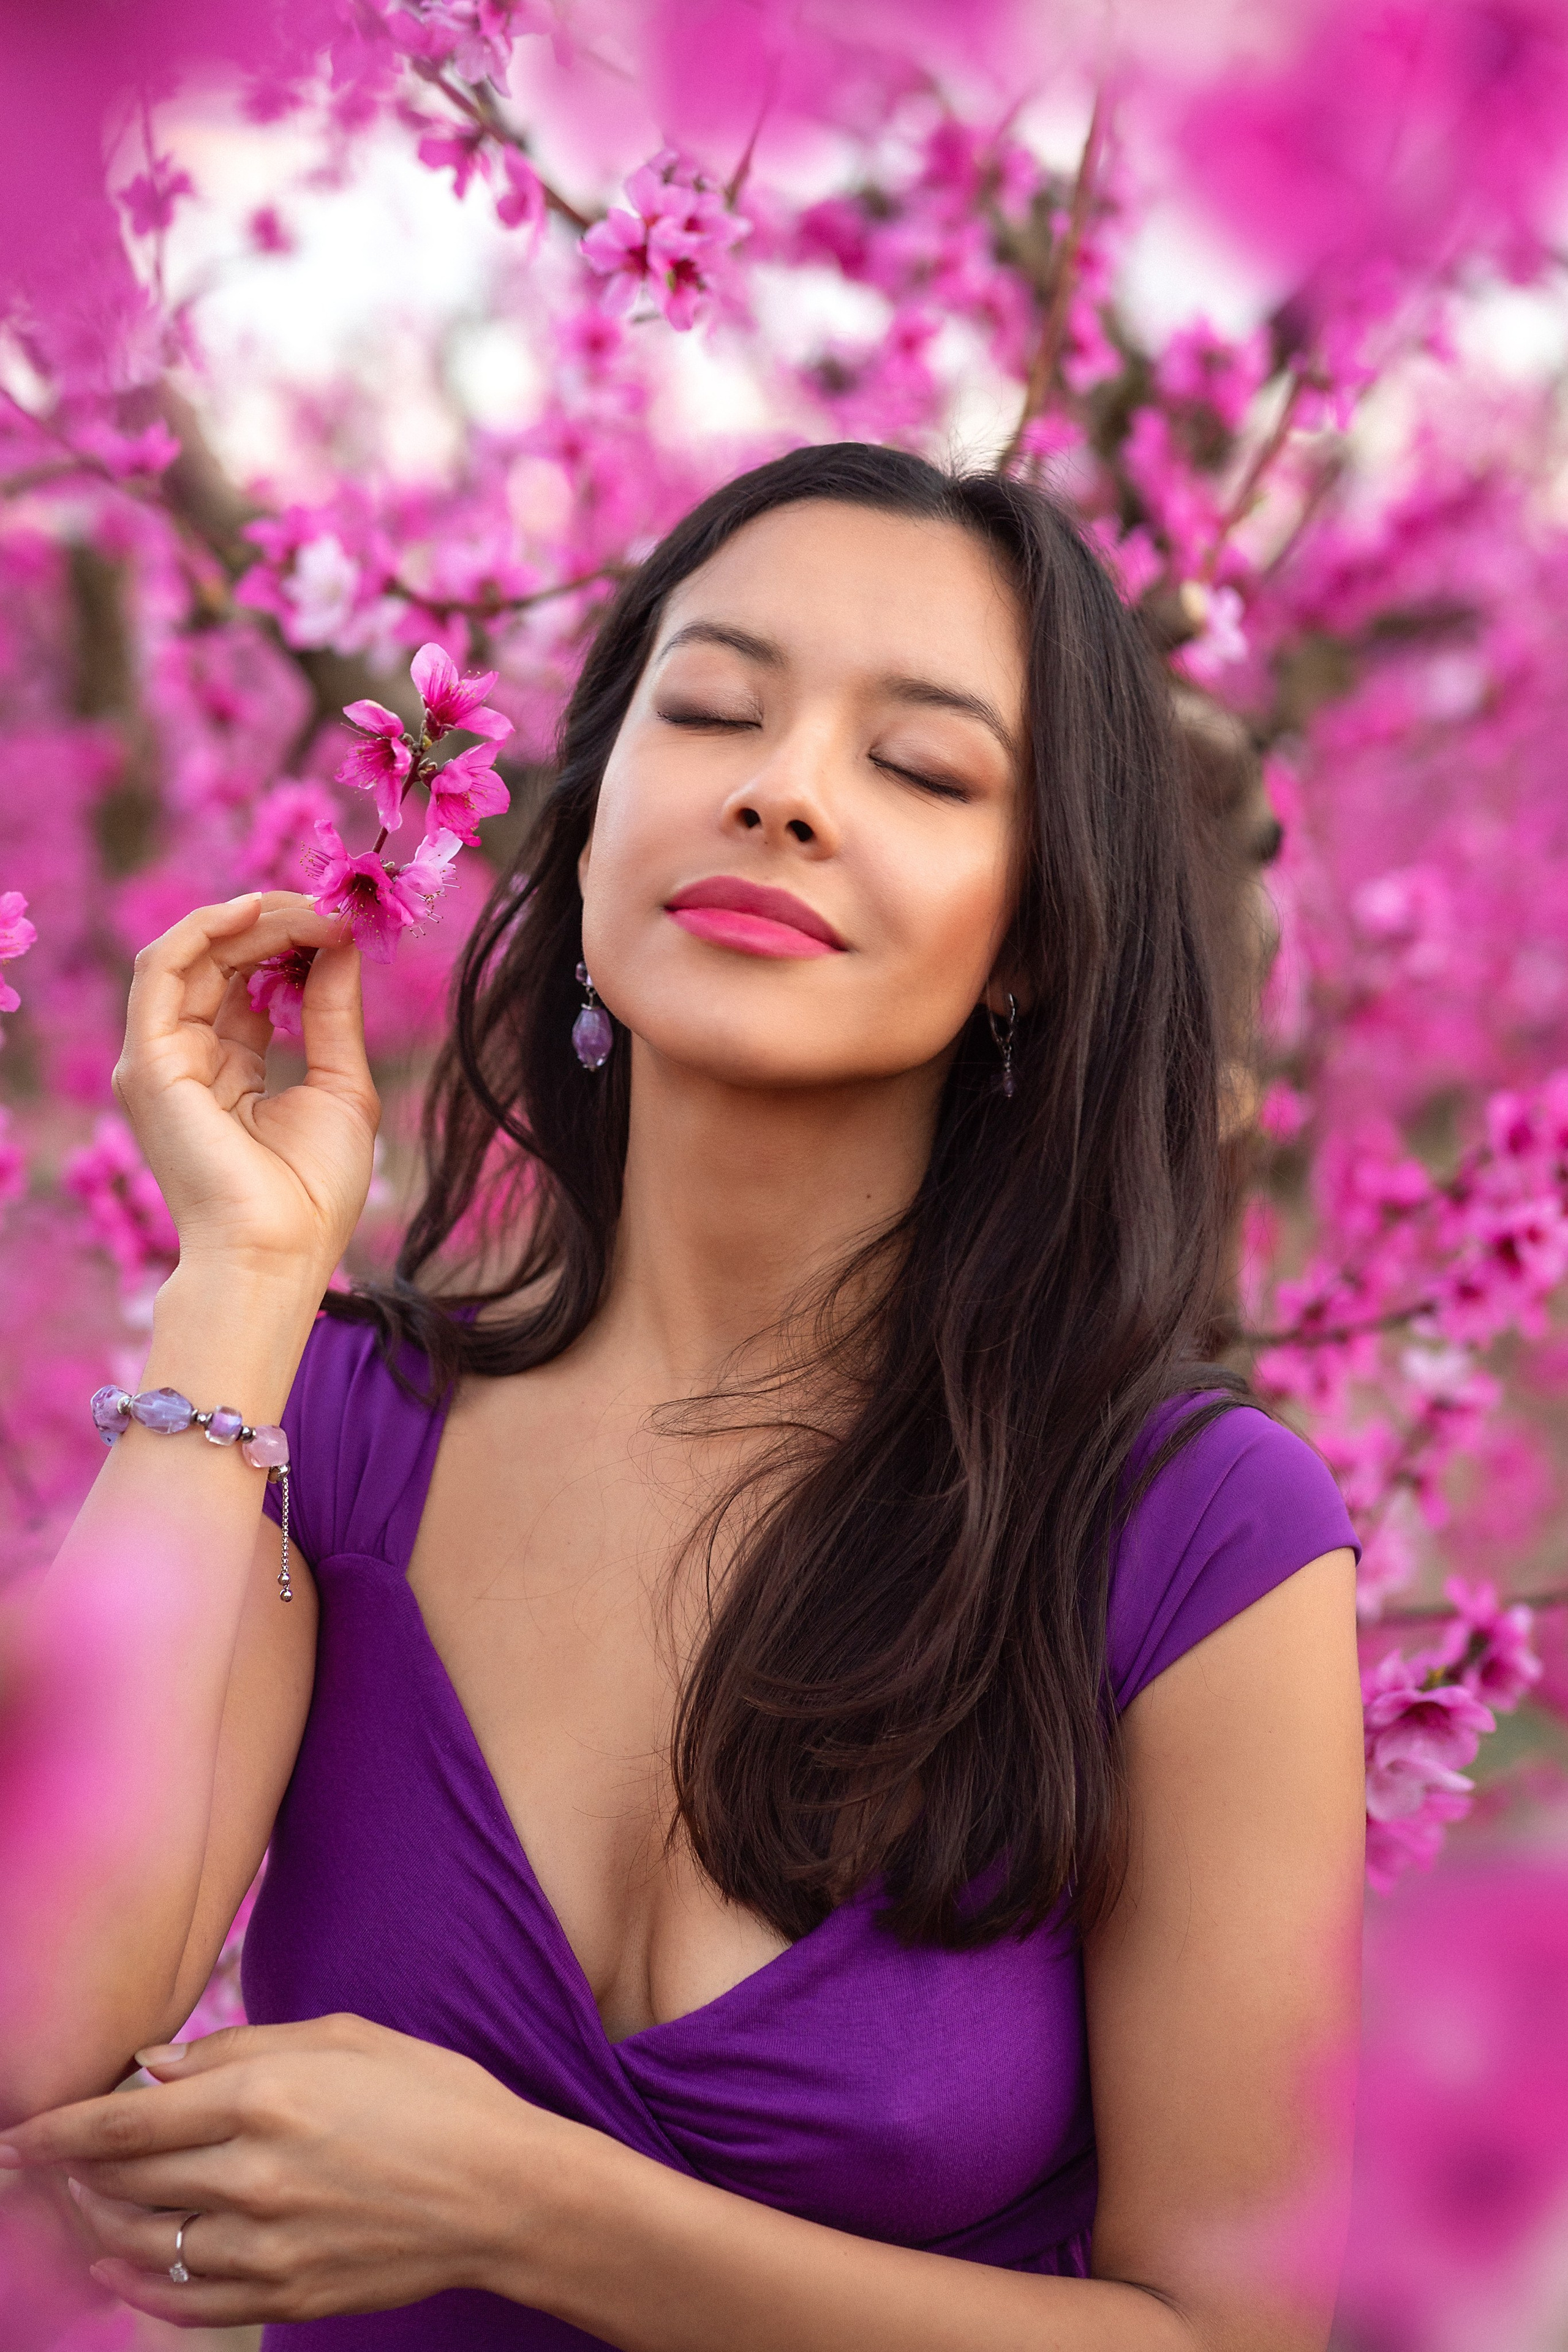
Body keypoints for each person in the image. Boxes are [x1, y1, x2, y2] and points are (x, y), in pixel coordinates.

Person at [0, 444, 1365, 2350]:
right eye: (713, 707)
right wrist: (236, 1284)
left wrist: (535, 2209)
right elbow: (29, 2019)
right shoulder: (330, 1435)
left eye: (922, 768)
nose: (781, 790)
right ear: (585, 830)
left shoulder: (1192, 1533)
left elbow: (1234, 2333)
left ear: (1039, 937)